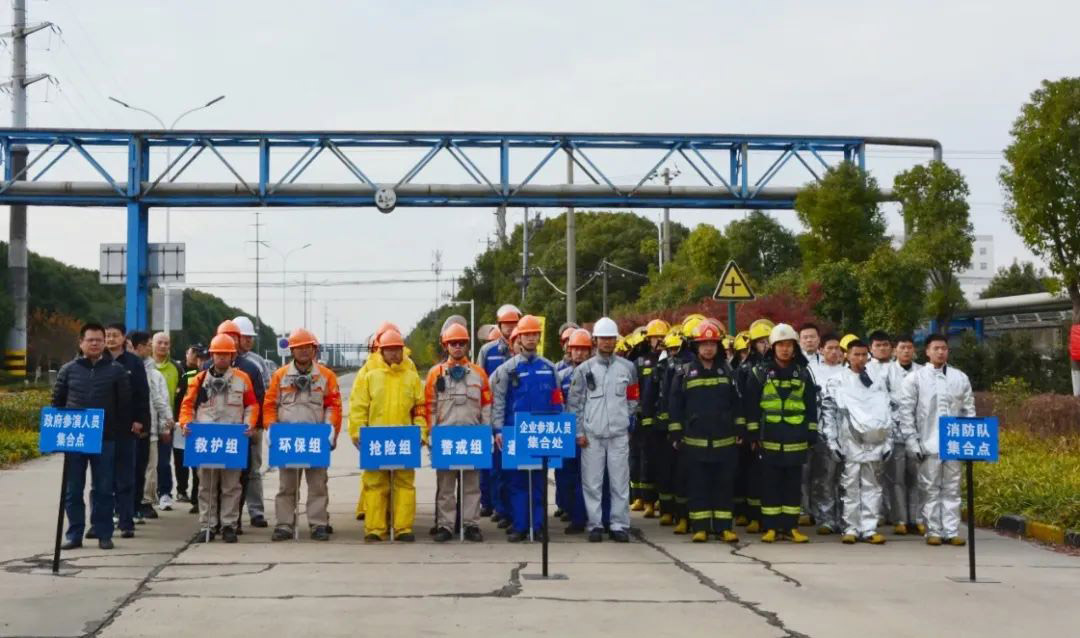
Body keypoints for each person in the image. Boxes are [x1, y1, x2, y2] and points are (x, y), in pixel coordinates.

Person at [54, 323, 132, 550]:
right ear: (81, 343)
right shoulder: (68, 370)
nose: (96, 343)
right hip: (75, 438)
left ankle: (103, 532)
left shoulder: (116, 370)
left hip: (105, 439)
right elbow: (57, 403)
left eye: (99, 339)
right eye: (91, 340)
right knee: (73, 488)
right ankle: (74, 533)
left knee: (104, 488)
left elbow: (124, 406)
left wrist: (118, 432)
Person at [178, 334, 260, 542]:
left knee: (231, 486)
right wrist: (187, 423)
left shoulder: (243, 379)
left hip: (233, 440)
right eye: (218, 354)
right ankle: (208, 525)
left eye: (226, 354)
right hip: (205, 441)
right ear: (212, 356)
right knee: (206, 485)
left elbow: (252, 404)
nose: (222, 358)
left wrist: (249, 424)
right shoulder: (199, 379)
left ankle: (229, 525)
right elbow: (187, 405)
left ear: (233, 355)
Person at [490, 314, 563, 542]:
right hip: (514, 433)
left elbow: (558, 401)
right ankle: (521, 525)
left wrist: (559, 428)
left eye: (535, 334)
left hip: (541, 432)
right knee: (517, 482)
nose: (531, 338)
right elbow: (499, 401)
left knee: (539, 482)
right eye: (527, 334)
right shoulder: (507, 370)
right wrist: (498, 430)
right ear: (518, 338)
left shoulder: (549, 369)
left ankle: (538, 525)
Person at [265, 328, 342, 542]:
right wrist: (270, 428)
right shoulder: (280, 376)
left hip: (316, 438)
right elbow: (270, 404)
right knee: (287, 486)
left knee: (318, 485)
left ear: (314, 349)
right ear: (292, 351)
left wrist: (330, 429)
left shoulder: (326, 376)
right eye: (299, 348)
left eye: (308, 347)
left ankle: (318, 524)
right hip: (287, 440)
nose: (304, 351)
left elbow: (333, 405)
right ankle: (284, 524)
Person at [349, 328, 426, 542]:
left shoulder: (412, 378)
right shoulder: (370, 376)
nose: (393, 354)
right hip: (376, 440)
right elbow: (359, 406)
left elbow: (420, 408)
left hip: (405, 440)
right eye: (389, 350)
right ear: (380, 351)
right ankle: (375, 529)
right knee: (375, 485)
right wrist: (357, 431)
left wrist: (421, 432)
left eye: (397, 349)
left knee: (404, 485)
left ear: (403, 351)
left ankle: (403, 529)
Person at [668, 320, 741, 543]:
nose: (708, 348)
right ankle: (700, 527)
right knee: (697, 484)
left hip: (724, 440)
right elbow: (675, 405)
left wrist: (739, 427)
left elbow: (737, 402)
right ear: (695, 347)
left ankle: (723, 527)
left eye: (712, 343)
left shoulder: (728, 371)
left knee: (723, 485)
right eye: (703, 344)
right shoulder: (685, 372)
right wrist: (676, 433)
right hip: (695, 441)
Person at [899, 334, 975, 546]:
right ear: (927, 352)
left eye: (944, 348)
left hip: (954, 442)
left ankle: (951, 530)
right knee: (929, 488)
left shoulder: (960, 378)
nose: (941, 352)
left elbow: (969, 410)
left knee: (952, 488)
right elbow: (906, 413)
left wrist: (970, 442)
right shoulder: (915, 378)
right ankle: (933, 530)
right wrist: (912, 442)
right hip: (927, 443)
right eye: (936, 348)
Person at [743, 323, 817, 543]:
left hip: (796, 437)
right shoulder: (760, 373)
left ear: (795, 348)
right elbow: (751, 406)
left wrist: (811, 433)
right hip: (770, 438)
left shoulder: (803, 373)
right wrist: (754, 435)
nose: (785, 349)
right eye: (781, 345)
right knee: (770, 484)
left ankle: (790, 527)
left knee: (792, 485)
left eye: (789, 345)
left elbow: (811, 405)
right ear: (773, 347)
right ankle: (772, 527)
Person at [568, 317, 638, 543]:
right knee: (592, 483)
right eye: (603, 338)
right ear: (595, 340)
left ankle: (619, 525)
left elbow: (633, 399)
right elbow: (575, 404)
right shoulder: (583, 370)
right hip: (591, 437)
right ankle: (595, 524)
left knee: (619, 482)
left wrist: (627, 422)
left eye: (611, 338)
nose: (607, 342)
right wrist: (578, 432)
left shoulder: (628, 368)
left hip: (618, 435)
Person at [424, 323, 492, 543]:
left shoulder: (479, 374)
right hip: (445, 437)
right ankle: (445, 525)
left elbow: (486, 405)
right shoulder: (435, 374)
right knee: (446, 486)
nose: (458, 347)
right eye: (453, 343)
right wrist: (432, 433)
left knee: (472, 486)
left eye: (462, 343)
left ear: (467, 346)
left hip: (472, 436)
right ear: (446, 345)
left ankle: (470, 524)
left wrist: (487, 432)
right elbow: (429, 406)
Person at [822, 339, 891, 545]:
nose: (860, 358)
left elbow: (887, 411)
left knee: (872, 486)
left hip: (875, 441)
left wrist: (888, 441)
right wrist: (832, 441)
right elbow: (829, 413)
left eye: (864, 354)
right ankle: (850, 527)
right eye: (856, 354)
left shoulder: (877, 380)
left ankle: (869, 528)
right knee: (850, 486)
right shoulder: (837, 381)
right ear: (847, 355)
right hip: (849, 441)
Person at [215, 319, 269, 530]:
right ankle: (217, 519)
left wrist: (257, 425)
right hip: (216, 432)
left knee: (247, 473)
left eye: (233, 337)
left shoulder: (251, 367)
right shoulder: (207, 367)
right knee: (217, 478)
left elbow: (259, 398)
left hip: (244, 431)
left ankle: (246, 515)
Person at [104, 322, 151, 532]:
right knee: (103, 478)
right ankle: (103, 520)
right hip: (103, 428)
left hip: (127, 428)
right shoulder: (98, 361)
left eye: (115, 335)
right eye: (107, 335)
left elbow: (142, 394)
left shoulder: (134, 362)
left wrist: (140, 420)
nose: (110, 339)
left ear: (124, 338)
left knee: (126, 477)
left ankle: (126, 521)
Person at [477, 304, 520, 525]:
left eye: (514, 323)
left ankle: (516, 513)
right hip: (494, 415)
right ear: (499, 325)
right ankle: (500, 509)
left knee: (515, 469)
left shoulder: (522, 349)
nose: (510, 327)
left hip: (517, 417)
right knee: (496, 468)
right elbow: (479, 382)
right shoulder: (488, 351)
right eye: (507, 324)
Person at [733, 319, 773, 533]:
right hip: (753, 429)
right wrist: (746, 431)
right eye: (760, 342)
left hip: (775, 429)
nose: (765, 345)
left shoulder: (778, 366)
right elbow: (741, 401)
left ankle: (768, 516)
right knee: (751, 473)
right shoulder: (746, 368)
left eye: (768, 340)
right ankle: (752, 515)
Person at [129, 332, 174, 517]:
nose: (152, 348)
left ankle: (145, 502)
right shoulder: (123, 368)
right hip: (127, 429)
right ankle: (127, 504)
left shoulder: (154, 374)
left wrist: (165, 424)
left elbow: (161, 400)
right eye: (149, 344)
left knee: (149, 468)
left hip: (151, 430)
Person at [646, 328, 685, 526]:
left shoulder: (689, 367)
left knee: (682, 474)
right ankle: (667, 510)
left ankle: (681, 513)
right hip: (662, 430)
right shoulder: (661, 368)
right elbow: (650, 397)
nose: (674, 353)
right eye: (671, 349)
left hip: (685, 430)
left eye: (678, 348)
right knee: (665, 471)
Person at [807, 334, 846, 535]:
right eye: (830, 348)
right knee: (824, 478)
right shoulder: (812, 371)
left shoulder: (848, 373)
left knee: (844, 480)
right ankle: (825, 518)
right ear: (821, 350)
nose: (834, 352)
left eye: (837, 348)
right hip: (822, 432)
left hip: (846, 434)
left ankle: (843, 519)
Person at [884, 335, 922, 535]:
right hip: (895, 434)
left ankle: (916, 518)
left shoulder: (923, 372)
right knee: (897, 479)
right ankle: (900, 519)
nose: (906, 351)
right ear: (895, 351)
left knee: (916, 478)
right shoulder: (887, 373)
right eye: (902, 348)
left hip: (917, 434)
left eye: (909, 348)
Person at [557, 328, 594, 533]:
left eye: (583, 349)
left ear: (589, 351)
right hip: (565, 434)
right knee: (567, 478)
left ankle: (583, 518)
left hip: (589, 434)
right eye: (575, 349)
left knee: (588, 478)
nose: (579, 353)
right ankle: (571, 513)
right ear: (568, 350)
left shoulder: (595, 374)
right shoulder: (560, 375)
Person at [630, 318, 668, 519]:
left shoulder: (669, 361)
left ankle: (662, 498)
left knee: (663, 462)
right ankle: (647, 500)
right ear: (648, 339)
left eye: (662, 337)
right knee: (645, 460)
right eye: (656, 337)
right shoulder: (640, 361)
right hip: (645, 418)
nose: (659, 341)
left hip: (663, 419)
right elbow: (635, 391)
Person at [150, 332, 182, 511]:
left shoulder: (176, 368)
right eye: (159, 343)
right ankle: (147, 495)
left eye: (166, 343)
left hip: (168, 422)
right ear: (152, 344)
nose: (163, 346)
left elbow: (182, 395)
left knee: (164, 460)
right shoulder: (145, 367)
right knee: (147, 463)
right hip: (148, 420)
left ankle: (165, 493)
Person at [175, 344, 208, 511]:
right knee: (185, 461)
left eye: (205, 358)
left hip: (206, 427)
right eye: (200, 358)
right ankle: (184, 492)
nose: (202, 361)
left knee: (199, 466)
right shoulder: (189, 376)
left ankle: (197, 499)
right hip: (189, 425)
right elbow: (181, 401)